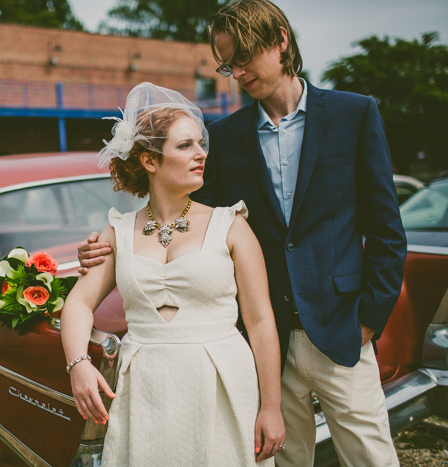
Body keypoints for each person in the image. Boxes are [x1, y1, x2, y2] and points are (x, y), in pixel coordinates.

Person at [79, 1, 407, 465]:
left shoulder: (354, 115)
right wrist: (108, 243)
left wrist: (369, 318)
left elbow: (387, 228)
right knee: (284, 460)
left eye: (244, 57)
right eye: (227, 63)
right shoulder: (225, 136)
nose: (236, 72)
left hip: (341, 329)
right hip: (262, 342)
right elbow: (181, 209)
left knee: (372, 457)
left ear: (280, 41)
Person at [61, 82, 285, 466]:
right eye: (185, 146)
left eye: (201, 144)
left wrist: (272, 407)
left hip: (220, 380)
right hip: (144, 386)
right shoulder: (117, 231)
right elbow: (79, 303)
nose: (201, 155)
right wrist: (78, 364)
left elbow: (261, 319)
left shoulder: (231, 224)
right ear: (150, 161)